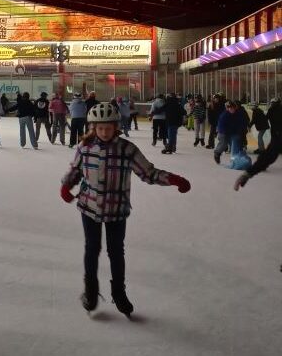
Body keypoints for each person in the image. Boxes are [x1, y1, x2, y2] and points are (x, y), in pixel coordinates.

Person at [60, 103, 190, 317]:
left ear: (115, 126)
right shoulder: (85, 147)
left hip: (116, 210)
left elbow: (148, 172)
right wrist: (66, 185)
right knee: (92, 249)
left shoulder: (127, 149)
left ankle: (119, 293)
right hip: (89, 205)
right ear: (93, 128)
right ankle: (90, 291)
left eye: (108, 128)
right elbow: (75, 171)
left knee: (115, 251)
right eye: (99, 128)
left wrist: (174, 180)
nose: (104, 132)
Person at [213, 100, 247, 165]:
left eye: (233, 108)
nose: (232, 110)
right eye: (230, 108)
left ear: (235, 108)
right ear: (228, 108)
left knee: (236, 143)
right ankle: (217, 153)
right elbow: (221, 126)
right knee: (224, 143)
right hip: (223, 132)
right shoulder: (224, 115)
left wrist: (240, 131)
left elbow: (240, 123)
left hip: (233, 132)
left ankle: (237, 158)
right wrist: (225, 132)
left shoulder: (237, 114)